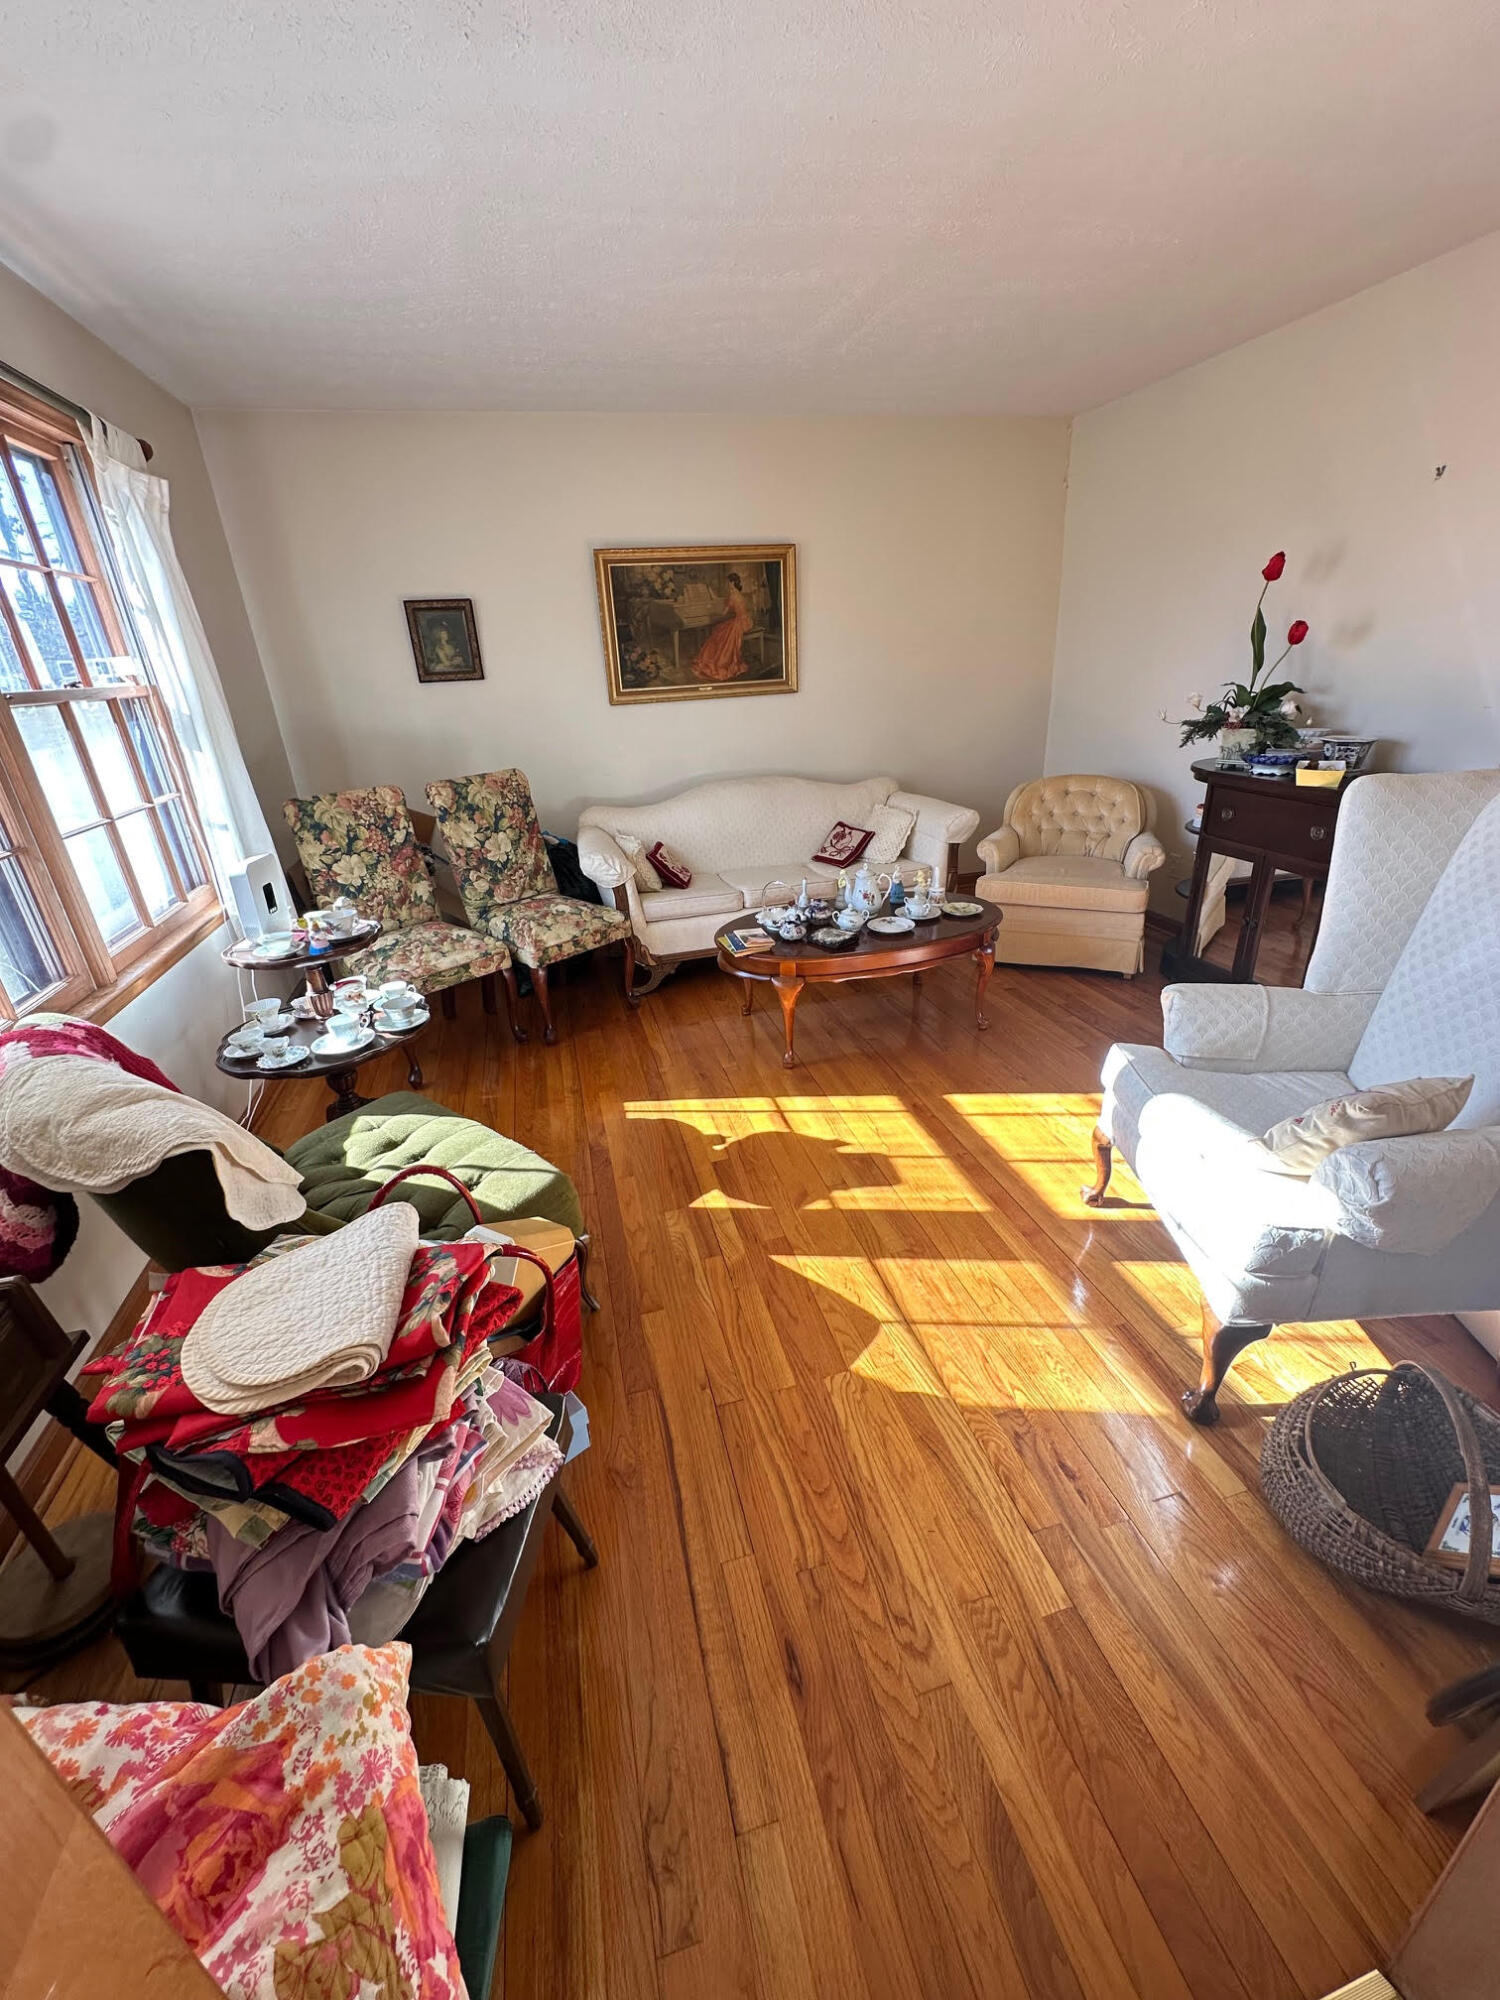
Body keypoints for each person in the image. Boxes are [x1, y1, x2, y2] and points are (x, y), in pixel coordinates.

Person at [691, 571, 751, 681]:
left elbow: (724, 613)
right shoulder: (739, 594)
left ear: (732, 583)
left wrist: (712, 611)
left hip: (737, 623)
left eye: (728, 582)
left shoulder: (732, 596)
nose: (727, 584)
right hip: (744, 621)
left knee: (718, 633)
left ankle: (714, 661)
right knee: (719, 630)